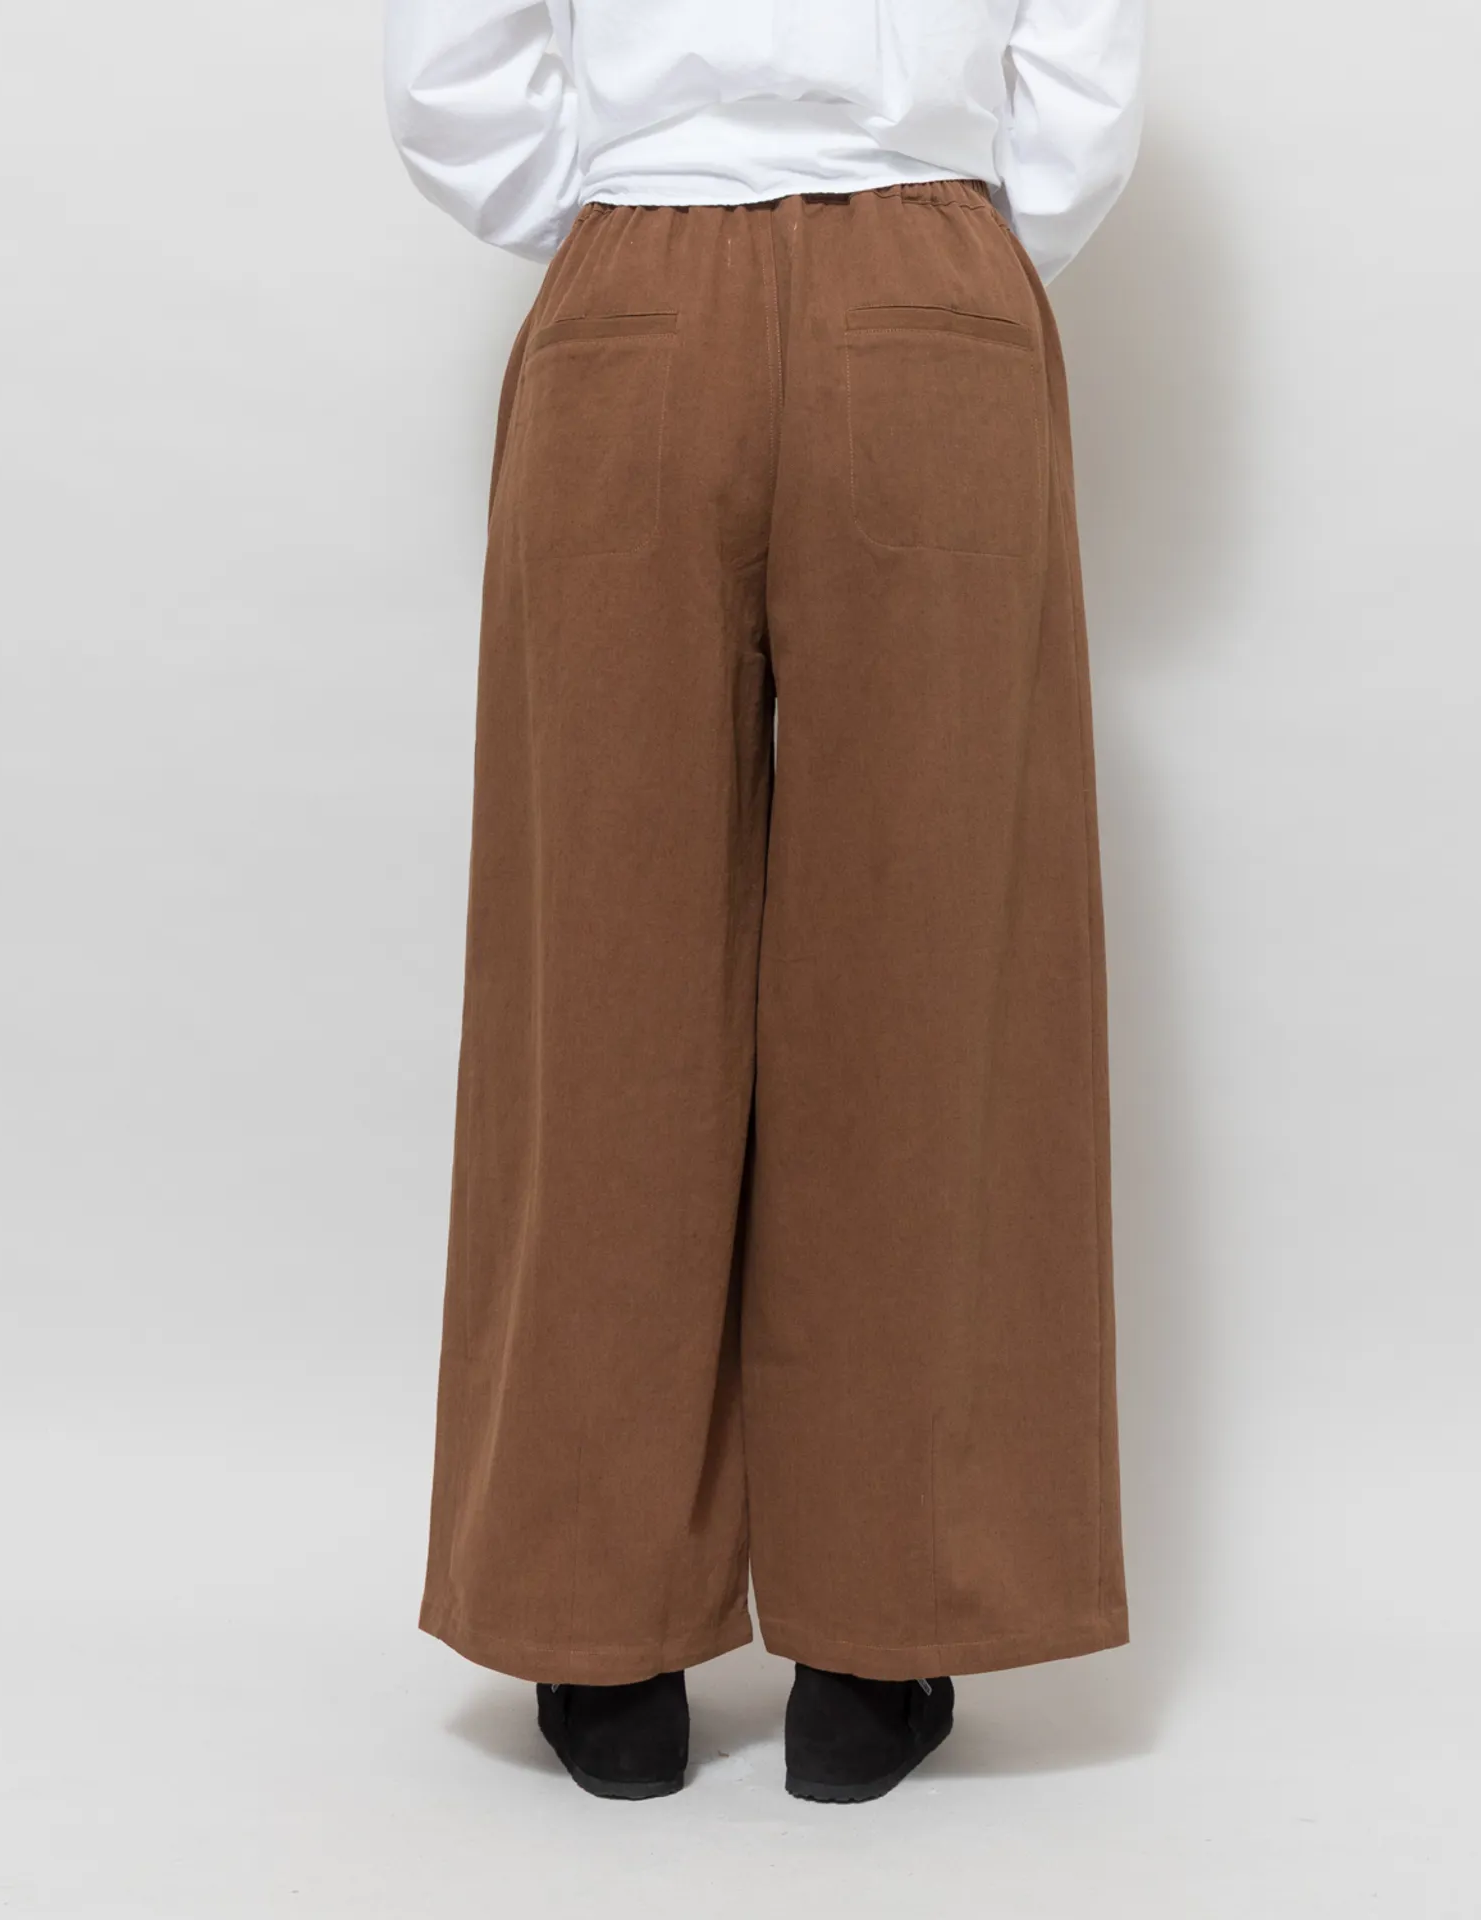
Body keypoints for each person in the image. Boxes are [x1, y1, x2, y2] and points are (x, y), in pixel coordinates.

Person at [381, 0, 1145, 1804]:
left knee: (598, 971)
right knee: (933, 968)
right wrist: (933, 228)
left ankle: (598, 1637)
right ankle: (879, 1641)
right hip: (933, 296)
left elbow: (447, 77)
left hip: (635, 300)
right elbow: (1084, 86)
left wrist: (647, 195)